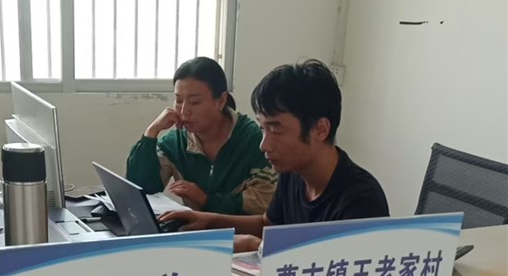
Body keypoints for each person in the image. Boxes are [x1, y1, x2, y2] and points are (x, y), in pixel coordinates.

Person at [160, 59, 389, 250]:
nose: (264, 145)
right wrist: (208, 221)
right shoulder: (294, 173)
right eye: (263, 129)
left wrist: (257, 246)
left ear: (320, 129)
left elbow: (332, 274)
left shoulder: (361, 200)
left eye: (276, 130)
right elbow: (267, 224)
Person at [126, 56, 277, 215]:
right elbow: (140, 195)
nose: (184, 111)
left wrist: (206, 200)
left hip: (243, 229)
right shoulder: (175, 143)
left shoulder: (253, 140)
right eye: (178, 100)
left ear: (221, 101)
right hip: (194, 228)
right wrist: (151, 133)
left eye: (195, 102)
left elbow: (264, 204)